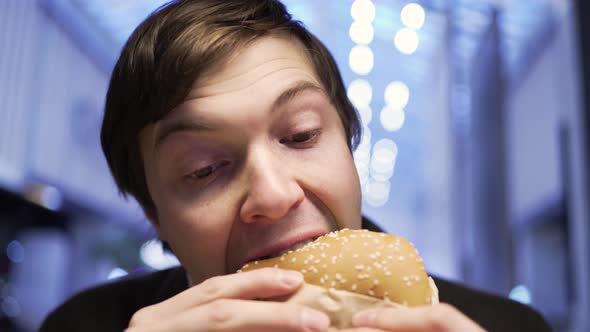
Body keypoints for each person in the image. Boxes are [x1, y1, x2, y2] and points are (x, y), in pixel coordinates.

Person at [40, 0, 551, 331]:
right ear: (156, 218)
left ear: (349, 149)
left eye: (301, 135)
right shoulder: (85, 323)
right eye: (203, 169)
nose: (274, 194)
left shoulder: (504, 325)